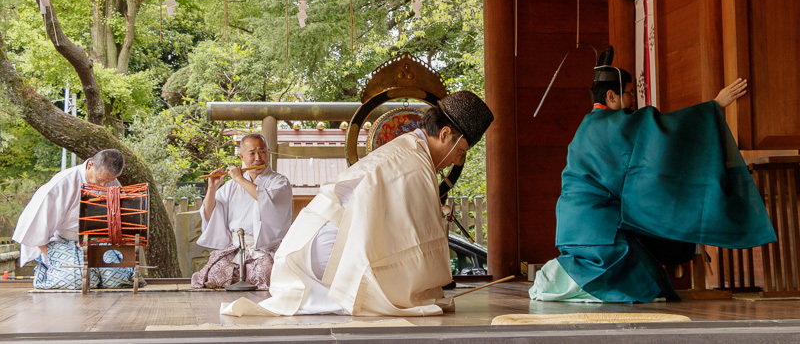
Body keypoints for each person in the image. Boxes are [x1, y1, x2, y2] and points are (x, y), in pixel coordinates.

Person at [221, 91, 494, 317]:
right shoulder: (414, 163)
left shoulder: (408, 148)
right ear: (445, 133)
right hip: (333, 255)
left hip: (308, 245)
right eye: (460, 152)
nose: (457, 161)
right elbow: (417, 235)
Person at [529, 58, 777, 303]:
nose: (631, 101)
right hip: (599, 229)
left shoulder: (586, 126)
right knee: (647, 282)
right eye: (628, 94)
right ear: (611, 97)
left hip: (572, 226)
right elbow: (666, 130)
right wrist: (714, 105)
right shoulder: (616, 124)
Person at [13, 149, 138, 289]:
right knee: (78, 279)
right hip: (62, 242)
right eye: (101, 180)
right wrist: (53, 256)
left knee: (117, 279)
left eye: (108, 181)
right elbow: (36, 229)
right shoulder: (62, 184)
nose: (104, 185)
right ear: (90, 165)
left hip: (97, 241)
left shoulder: (112, 183)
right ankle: (46, 272)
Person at [191, 132, 292, 289]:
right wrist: (212, 188)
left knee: (265, 276)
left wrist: (239, 179)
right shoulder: (232, 186)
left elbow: (266, 199)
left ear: (268, 152)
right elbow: (210, 213)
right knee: (213, 277)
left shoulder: (279, 182)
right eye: (252, 153)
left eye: (262, 151)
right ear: (242, 157)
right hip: (235, 248)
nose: (258, 157)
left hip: (263, 249)